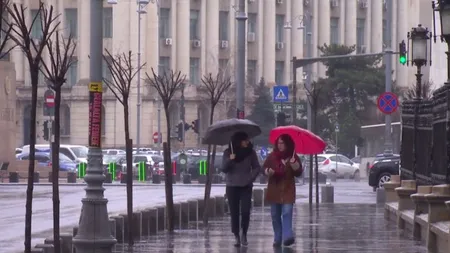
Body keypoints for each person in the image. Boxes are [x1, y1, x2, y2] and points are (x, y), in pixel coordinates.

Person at [222, 131, 261, 247]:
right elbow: (223, 168)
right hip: (232, 186)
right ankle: (236, 236)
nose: (247, 142)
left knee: (245, 211)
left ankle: (244, 233)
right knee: (234, 213)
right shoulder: (228, 152)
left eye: (247, 140)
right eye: (245, 140)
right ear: (238, 141)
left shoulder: (251, 153)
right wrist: (230, 159)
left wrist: (250, 178)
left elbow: (256, 167)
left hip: (246, 186)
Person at [263, 134, 303, 247]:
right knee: (275, 215)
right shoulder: (272, 156)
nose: (280, 146)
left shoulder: (293, 157)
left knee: (287, 212)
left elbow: (299, 173)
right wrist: (268, 171)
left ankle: (287, 236)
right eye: (279, 143)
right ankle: (277, 237)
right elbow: (264, 168)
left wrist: (295, 165)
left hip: (287, 190)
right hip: (274, 190)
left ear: (287, 144)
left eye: (282, 143)